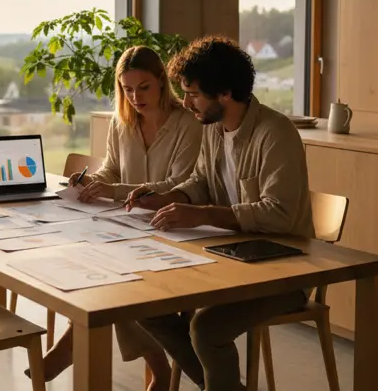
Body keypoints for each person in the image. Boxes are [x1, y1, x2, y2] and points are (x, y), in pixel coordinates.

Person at [125, 35, 314, 391]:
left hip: (285, 270)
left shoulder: (276, 133)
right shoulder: (213, 129)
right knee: (143, 302)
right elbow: (200, 182)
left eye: (193, 94)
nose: (185, 103)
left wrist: (202, 215)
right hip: (231, 256)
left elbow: (279, 214)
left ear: (225, 93)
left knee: (207, 328)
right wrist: (164, 197)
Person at [35, 45, 203, 391]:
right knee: (107, 274)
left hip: (173, 226)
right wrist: (93, 182)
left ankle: (73, 347)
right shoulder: (121, 121)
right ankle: (157, 369)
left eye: (143, 87)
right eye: (127, 89)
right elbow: (111, 169)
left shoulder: (187, 123)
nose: (135, 97)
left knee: (120, 283)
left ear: (161, 81)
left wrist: (115, 191)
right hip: (130, 226)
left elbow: (179, 183)